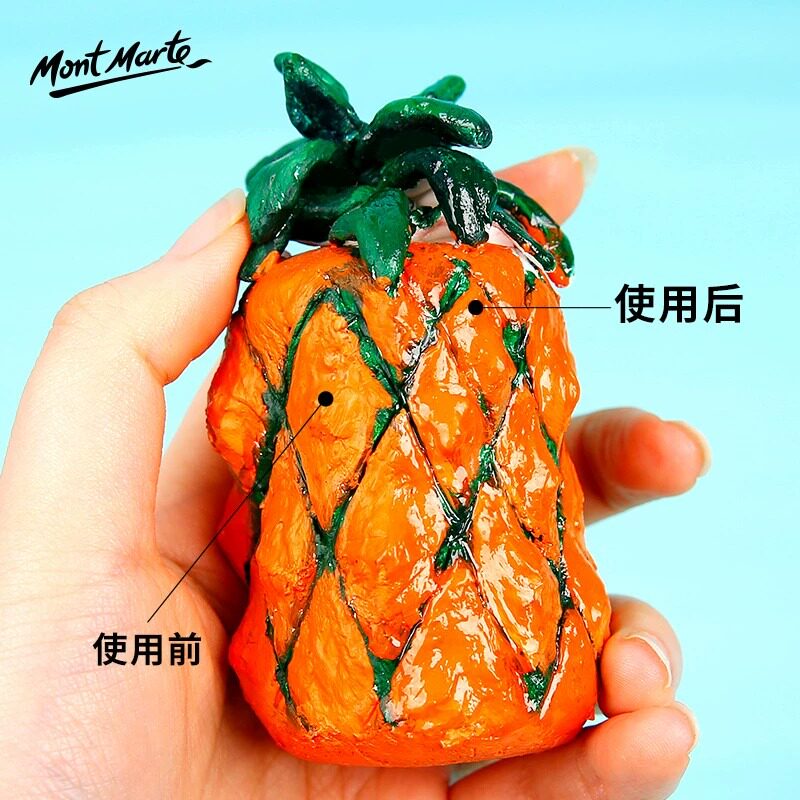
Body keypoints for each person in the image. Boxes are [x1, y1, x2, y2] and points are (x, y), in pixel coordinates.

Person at [0, 148, 705, 798]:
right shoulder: (332, 300)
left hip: (317, 695)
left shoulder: (417, 296)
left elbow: (240, 423)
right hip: (393, 691)